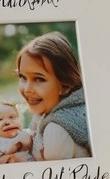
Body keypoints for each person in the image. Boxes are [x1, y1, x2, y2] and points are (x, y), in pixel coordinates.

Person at [15, 32, 92, 160]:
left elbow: (52, 177)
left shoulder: (56, 130)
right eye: (23, 77)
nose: (27, 89)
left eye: (39, 79)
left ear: (64, 86)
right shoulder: (48, 109)